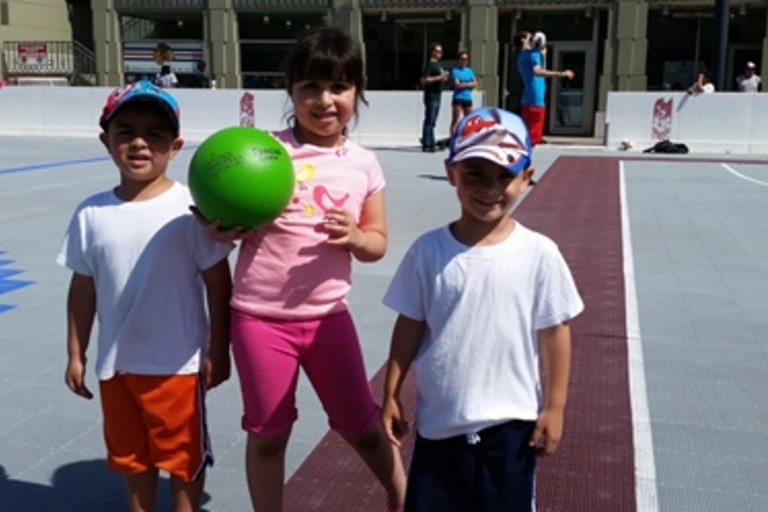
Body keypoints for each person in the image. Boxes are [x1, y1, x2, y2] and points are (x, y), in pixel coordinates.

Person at [195, 27, 406, 512]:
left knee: (363, 427)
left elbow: (377, 244)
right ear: (290, 92)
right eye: (310, 86)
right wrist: (221, 231)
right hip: (259, 320)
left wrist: (356, 237)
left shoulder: (364, 164)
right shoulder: (262, 152)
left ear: (358, 93)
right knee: (268, 435)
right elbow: (217, 212)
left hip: (328, 319)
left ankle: (402, 498)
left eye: (339, 87)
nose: (324, 100)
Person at [380, 107, 584, 512]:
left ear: (527, 177)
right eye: (475, 173)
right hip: (440, 427)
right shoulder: (427, 251)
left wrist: (555, 406)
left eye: (505, 175)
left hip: (511, 430)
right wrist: (391, 392)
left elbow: (555, 332)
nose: (490, 188)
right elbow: (409, 323)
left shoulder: (540, 254)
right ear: (451, 172)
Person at [57, 80, 234, 512]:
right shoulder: (90, 213)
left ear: (175, 147)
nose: (139, 142)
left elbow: (218, 281)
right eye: (126, 131)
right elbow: (83, 287)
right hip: (116, 366)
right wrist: (76, 352)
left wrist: (219, 348)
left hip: (176, 364)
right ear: (107, 141)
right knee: (131, 459)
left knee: (183, 459)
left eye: (154, 134)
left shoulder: (192, 210)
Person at [514, 31, 574, 146]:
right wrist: (561, 74)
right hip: (535, 99)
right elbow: (538, 72)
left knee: (528, 134)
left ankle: (525, 161)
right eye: (529, 37)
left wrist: (543, 56)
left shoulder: (522, 56)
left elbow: (541, 69)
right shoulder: (532, 54)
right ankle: (527, 162)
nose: (532, 39)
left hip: (528, 98)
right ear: (523, 40)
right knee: (533, 139)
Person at [420, 42, 449, 152]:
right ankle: (427, 143)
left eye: (441, 51)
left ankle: (431, 141)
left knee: (433, 120)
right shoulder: (430, 65)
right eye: (438, 51)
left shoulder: (438, 65)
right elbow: (424, 80)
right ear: (432, 52)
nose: (440, 54)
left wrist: (443, 78)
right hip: (431, 96)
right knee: (429, 119)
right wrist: (439, 78)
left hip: (437, 96)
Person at [448, 50, 477, 136]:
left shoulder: (469, 71)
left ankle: (468, 137)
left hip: (467, 97)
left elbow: (475, 82)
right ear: (458, 60)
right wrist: (469, 84)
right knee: (455, 120)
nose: (464, 61)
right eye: (462, 59)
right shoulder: (455, 71)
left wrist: (463, 83)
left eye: (466, 59)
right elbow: (457, 85)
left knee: (469, 119)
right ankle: (452, 138)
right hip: (458, 97)